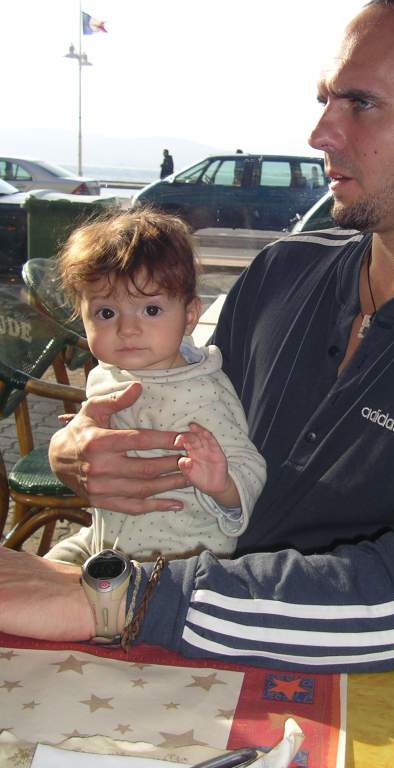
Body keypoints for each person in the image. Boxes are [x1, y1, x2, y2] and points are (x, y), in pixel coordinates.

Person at [0, 0, 394, 672]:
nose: (320, 134)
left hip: (327, 674)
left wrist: (119, 603)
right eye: (324, 101)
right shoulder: (281, 270)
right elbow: (183, 405)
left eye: (359, 103)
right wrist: (79, 452)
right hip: (162, 621)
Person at [44, 208, 266, 563]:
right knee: (38, 572)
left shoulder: (201, 393)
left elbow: (250, 467)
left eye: (150, 310)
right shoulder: (106, 373)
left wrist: (222, 483)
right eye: (106, 313)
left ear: (190, 315)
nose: (127, 329)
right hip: (104, 538)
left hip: (177, 557)